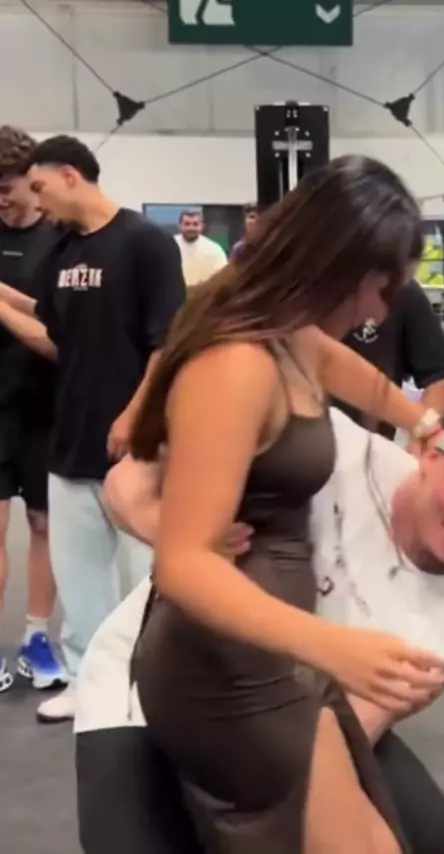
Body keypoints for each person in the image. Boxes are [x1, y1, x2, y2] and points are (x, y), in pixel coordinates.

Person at [122, 155, 444, 854]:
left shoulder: (290, 338)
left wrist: (422, 423)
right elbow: (183, 564)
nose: (380, 311)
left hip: (276, 652)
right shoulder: (236, 364)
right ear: (339, 263)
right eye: (381, 288)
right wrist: (332, 645)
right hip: (221, 669)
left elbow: (345, 370)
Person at [75, 405, 444, 854]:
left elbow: (316, 756)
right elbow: (128, 482)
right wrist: (184, 550)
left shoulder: (437, 641)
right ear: (432, 456)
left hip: (277, 724)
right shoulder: (324, 449)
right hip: (140, 685)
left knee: (435, 842)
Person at [0, 134, 186, 722]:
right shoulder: (61, 252)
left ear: (70, 176)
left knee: (143, 578)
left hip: (135, 445)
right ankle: (88, 679)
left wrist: (134, 415)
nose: (37, 202)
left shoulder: (145, 243)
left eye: (40, 188)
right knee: (79, 578)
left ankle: (149, 685)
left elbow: (167, 344)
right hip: (70, 439)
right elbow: (50, 331)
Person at [0, 126, 65, 693]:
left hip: (47, 404)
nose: (0, 198)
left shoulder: (61, 238)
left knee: (45, 524)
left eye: (6, 187)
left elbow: (58, 320)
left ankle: (37, 636)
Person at [336, 278, 444, 445]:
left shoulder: (404, 290)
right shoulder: (302, 309)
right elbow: (326, 360)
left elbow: (441, 374)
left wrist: (422, 432)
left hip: (372, 447)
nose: (379, 314)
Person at [174, 210, 227, 288]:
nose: (191, 228)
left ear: (202, 226)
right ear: (179, 226)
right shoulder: (170, 245)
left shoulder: (214, 249)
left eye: (195, 224)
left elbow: (222, 277)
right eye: (187, 224)